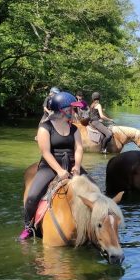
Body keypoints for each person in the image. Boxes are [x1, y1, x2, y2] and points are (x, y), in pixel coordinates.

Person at [19, 91, 86, 240]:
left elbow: (79, 148)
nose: (75, 111)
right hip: (50, 166)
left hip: (72, 164)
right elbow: (46, 152)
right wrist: (60, 170)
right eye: (72, 109)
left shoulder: (74, 129)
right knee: (31, 197)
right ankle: (28, 227)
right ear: (63, 110)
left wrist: (77, 166)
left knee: (97, 195)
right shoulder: (45, 127)